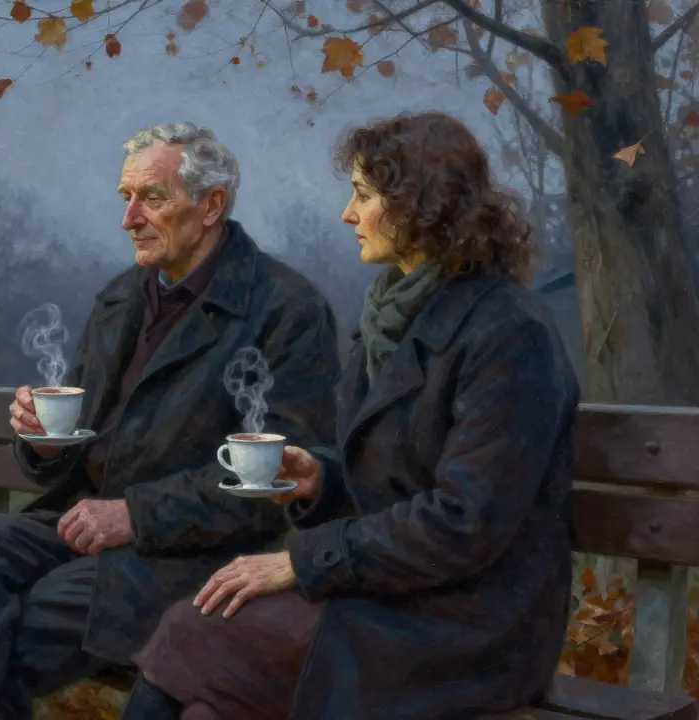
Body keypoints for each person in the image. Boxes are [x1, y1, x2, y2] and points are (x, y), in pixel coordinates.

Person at [124, 111, 580, 720]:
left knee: (193, 628)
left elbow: (464, 522)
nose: (348, 214)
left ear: (421, 203)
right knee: (208, 704)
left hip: (477, 628)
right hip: (398, 601)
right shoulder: (392, 318)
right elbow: (398, 482)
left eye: (363, 195)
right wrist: (323, 479)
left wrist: (300, 562)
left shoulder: (509, 331)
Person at [0, 122, 342, 720]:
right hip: (74, 528)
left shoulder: (286, 308)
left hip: (180, 559)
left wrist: (133, 514)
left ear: (212, 207)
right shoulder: (121, 297)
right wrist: (42, 442)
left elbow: (275, 479)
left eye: (151, 198)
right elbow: (75, 438)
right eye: (125, 198)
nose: (129, 219)